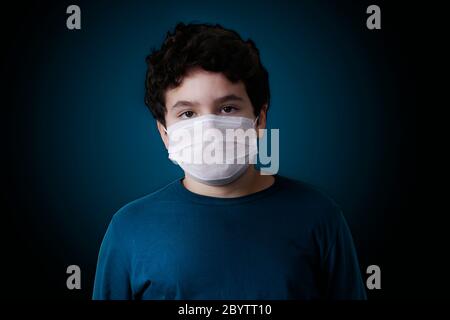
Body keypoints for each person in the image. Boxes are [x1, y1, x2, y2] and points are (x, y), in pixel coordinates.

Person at [92, 22, 367, 300]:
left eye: (227, 108)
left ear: (259, 118)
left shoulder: (319, 217)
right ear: (164, 132)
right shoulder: (129, 228)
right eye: (187, 113)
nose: (209, 128)